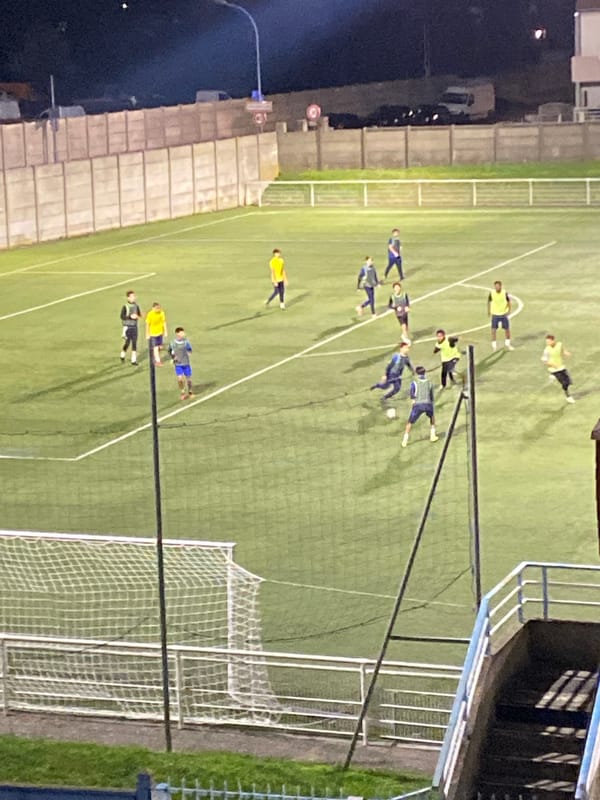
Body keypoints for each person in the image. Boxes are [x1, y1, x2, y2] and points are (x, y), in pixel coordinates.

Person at [402, 366, 439, 447]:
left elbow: (412, 394)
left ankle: (405, 440)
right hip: (428, 404)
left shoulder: (414, 383)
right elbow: (431, 396)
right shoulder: (429, 383)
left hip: (418, 405)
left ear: (416, 373)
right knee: (432, 417)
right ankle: (432, 435)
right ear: (424, 373)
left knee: (410, 422)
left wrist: (413, 400)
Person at [541, 334, 575, 403]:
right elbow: (544, 360)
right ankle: (568, 396)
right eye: (546, 342)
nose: (547, 343)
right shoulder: (546, 350)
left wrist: (566, 353)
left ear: (553, 340)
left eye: (548, 341)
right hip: (554, 369)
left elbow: (562, 351)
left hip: (561, 367)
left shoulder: (559, 344)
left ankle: (552, 376)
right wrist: (553, 365)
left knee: (568, 381)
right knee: (564, 383)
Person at [488, 280, 514, 351]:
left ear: (500, 286)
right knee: (493, 330)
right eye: (495, 286)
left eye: (498, 286)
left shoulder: (504, 293)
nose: (497, 287)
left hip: (503, 314)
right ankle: (494, 346)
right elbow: (489, 302)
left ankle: (508, 344)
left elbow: (508, 301)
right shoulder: (492, 293)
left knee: (507, 330)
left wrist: (509, 310)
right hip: (495, 314)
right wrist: (489, 311)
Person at [169, 327, 194, 400]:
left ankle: (190, 391)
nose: (183, 334)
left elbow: (190, 350)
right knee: (180, 379)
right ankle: (182, 392)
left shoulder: (186, 342)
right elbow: (170, 351)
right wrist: (173, 358)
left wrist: (189, 352)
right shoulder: (173, 343)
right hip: (178, 364)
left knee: (188, 379)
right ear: (177, 334)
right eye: (181, 333)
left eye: (183, 333)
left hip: (186, 363)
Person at [119, 290, 142, 366]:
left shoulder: (136, 306)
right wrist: (130, 317)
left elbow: (139, 314)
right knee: (127, 343)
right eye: (132, 296)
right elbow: (122, 316)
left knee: (134, 343)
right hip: (127, 327)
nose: (134, 298)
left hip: (134, 327)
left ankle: (133, 360)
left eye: (134, 296)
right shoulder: (125, 306)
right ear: (128, 298)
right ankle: (122, 354)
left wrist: (138, 316)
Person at [145, 301, 168, 366]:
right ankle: (158, 361)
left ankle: (157, 353)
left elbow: (164, 322)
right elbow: (147, 325)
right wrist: (147, 334)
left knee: (159, 347)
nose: (158, 309)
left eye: (159, 308)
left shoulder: (162, 313)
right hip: (153, 334)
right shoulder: (150, 314)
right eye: (156, 308)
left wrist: (165, 331)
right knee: (155, 348)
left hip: (160, 333)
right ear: (153, 308)